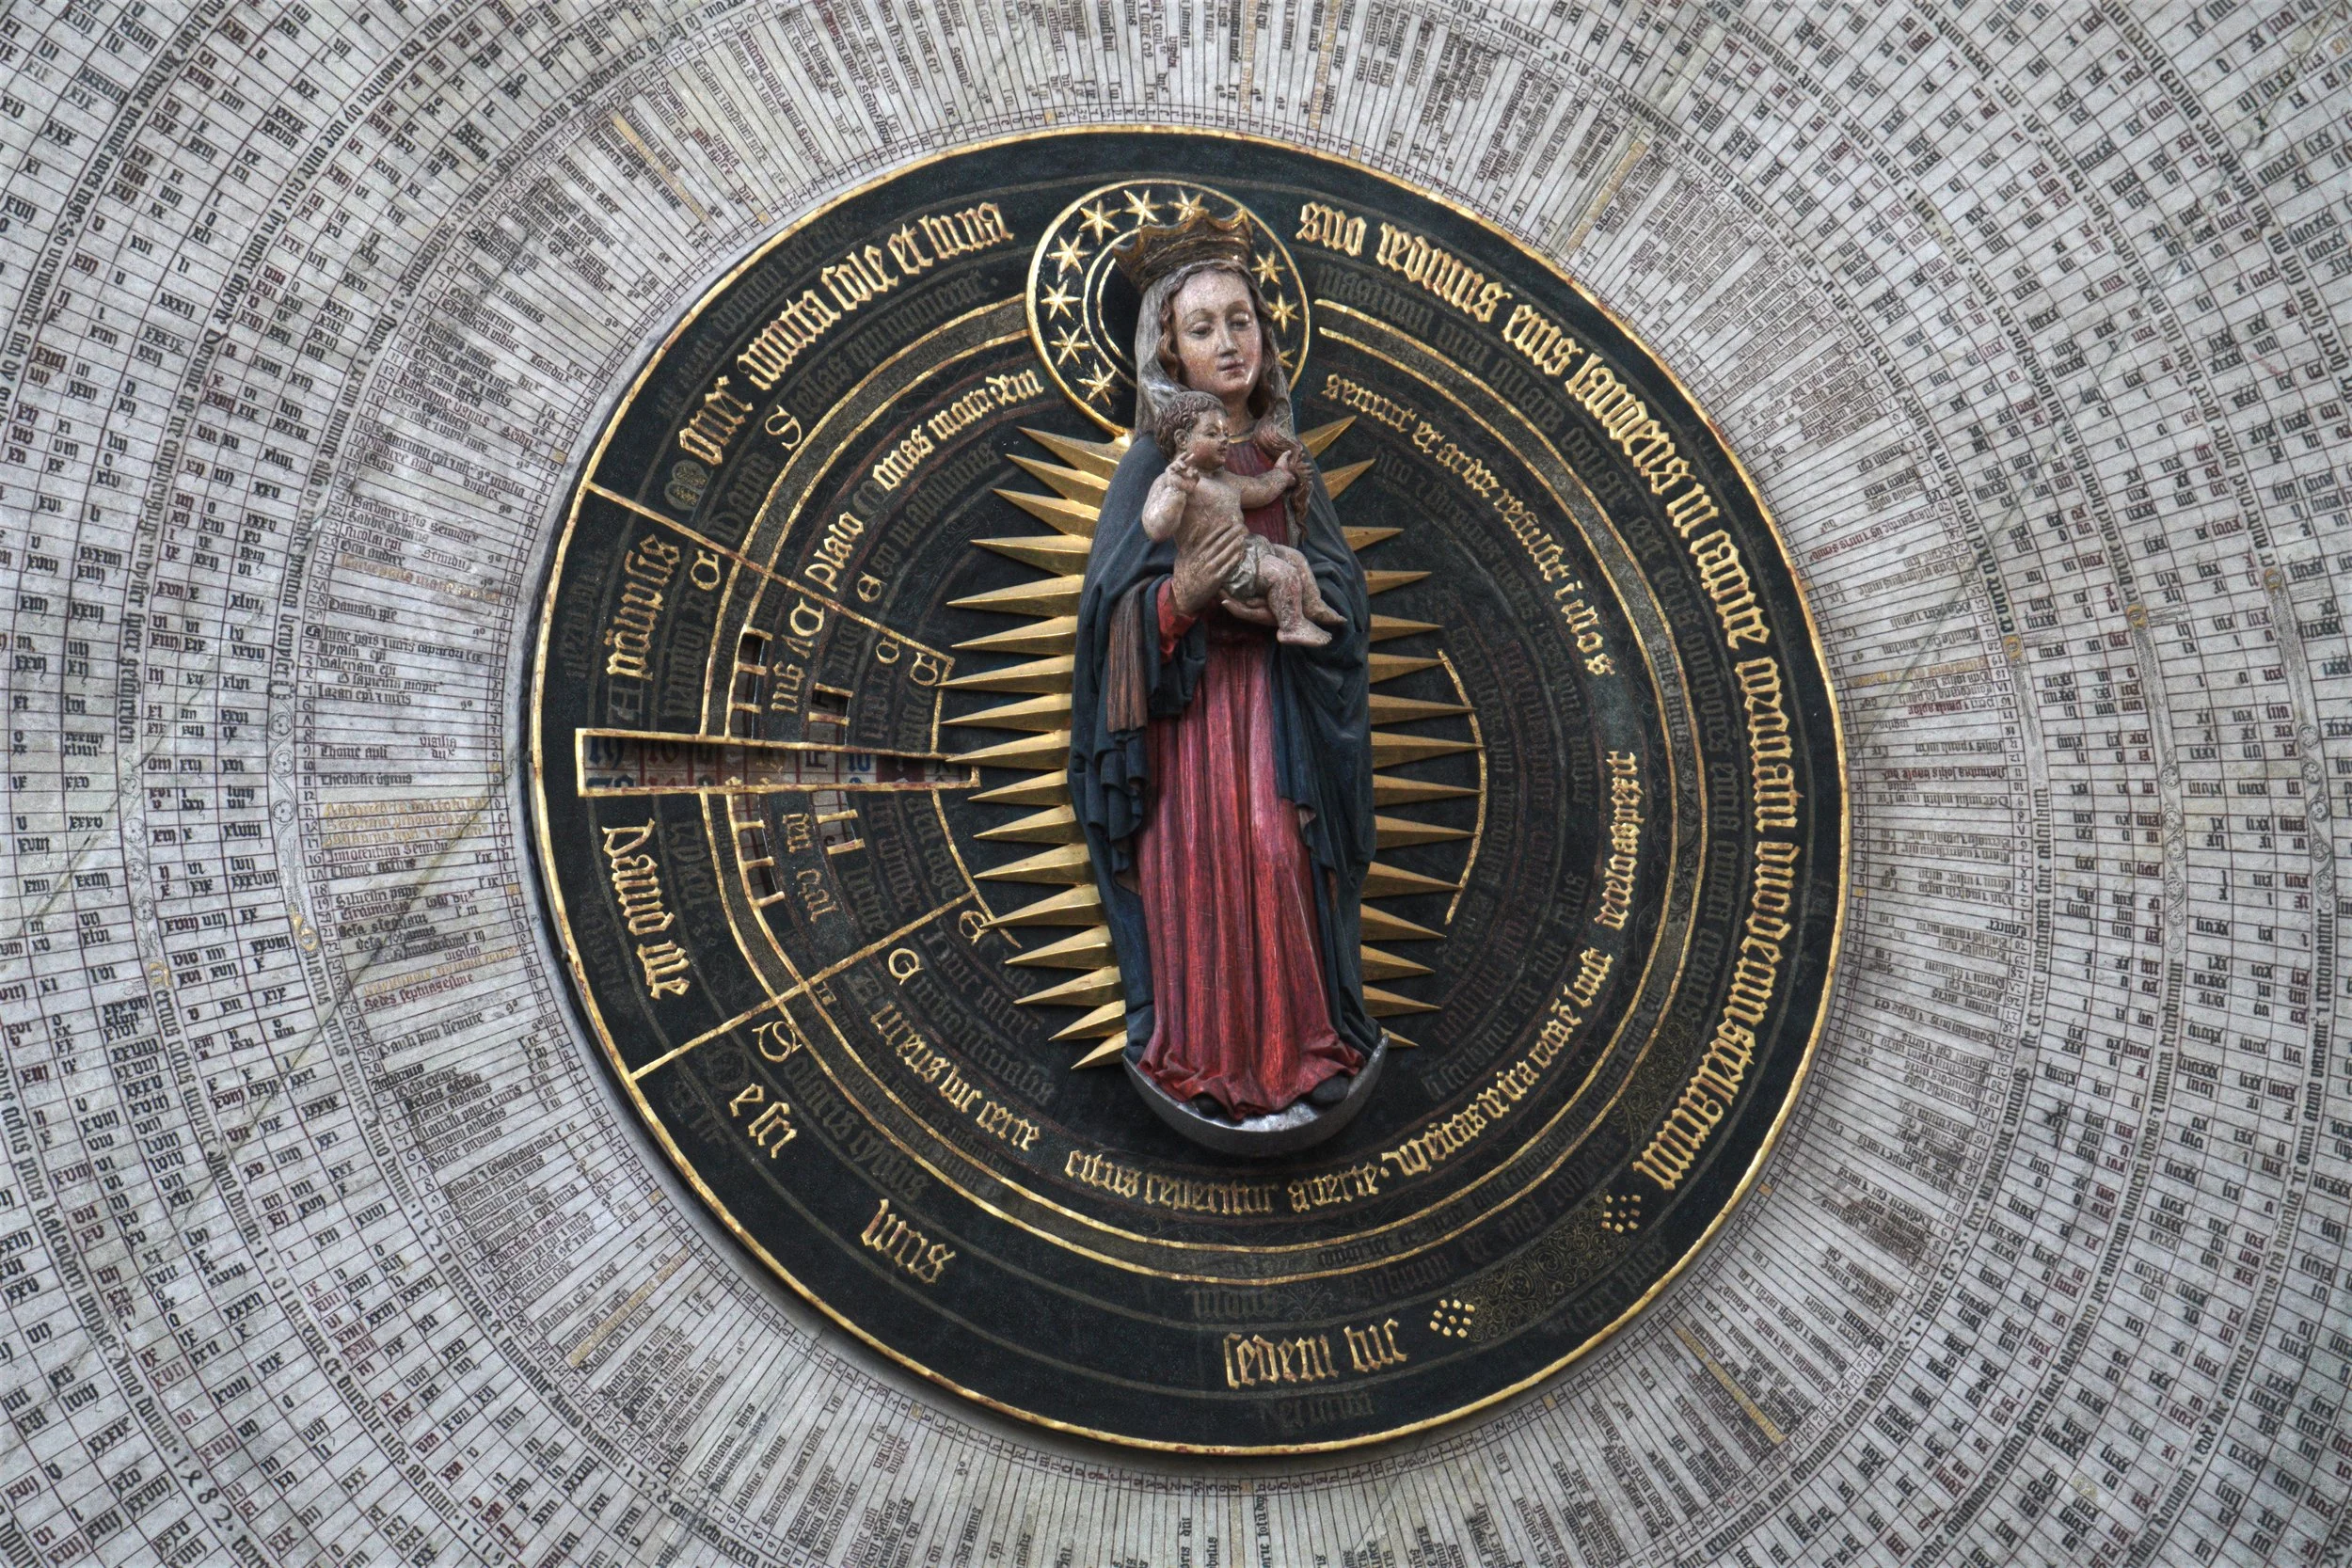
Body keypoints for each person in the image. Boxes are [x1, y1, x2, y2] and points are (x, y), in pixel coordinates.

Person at [1068, 212, 1380, 1123]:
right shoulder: (1152, 469)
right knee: (1200, 874)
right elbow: (1109, 619)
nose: (1228, 342)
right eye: (1201, 327)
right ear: (1168, 351)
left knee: (1282, 853)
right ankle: (1201, 1056)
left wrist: (1304, 599)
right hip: (1189, 728)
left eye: (1240, 320)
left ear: (1265, 333)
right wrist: (1183, 599)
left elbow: (1343, 591)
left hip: (1277, 717)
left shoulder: (1285, 462)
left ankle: (1304, 1048)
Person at [1139, 390, 1347, 648]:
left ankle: (1313, 605)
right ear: (1182, 439)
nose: (1224, 440)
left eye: (1226, 433)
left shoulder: (1223, 479)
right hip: (1228, 567)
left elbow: (1259, 490)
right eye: (1212, 434)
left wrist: (1282, 476)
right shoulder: (1172, 482)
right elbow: (1157, 528)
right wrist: (1176, 491)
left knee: (1296, 559)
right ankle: (1292, 626)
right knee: (1282, 574)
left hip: (1250, 549)